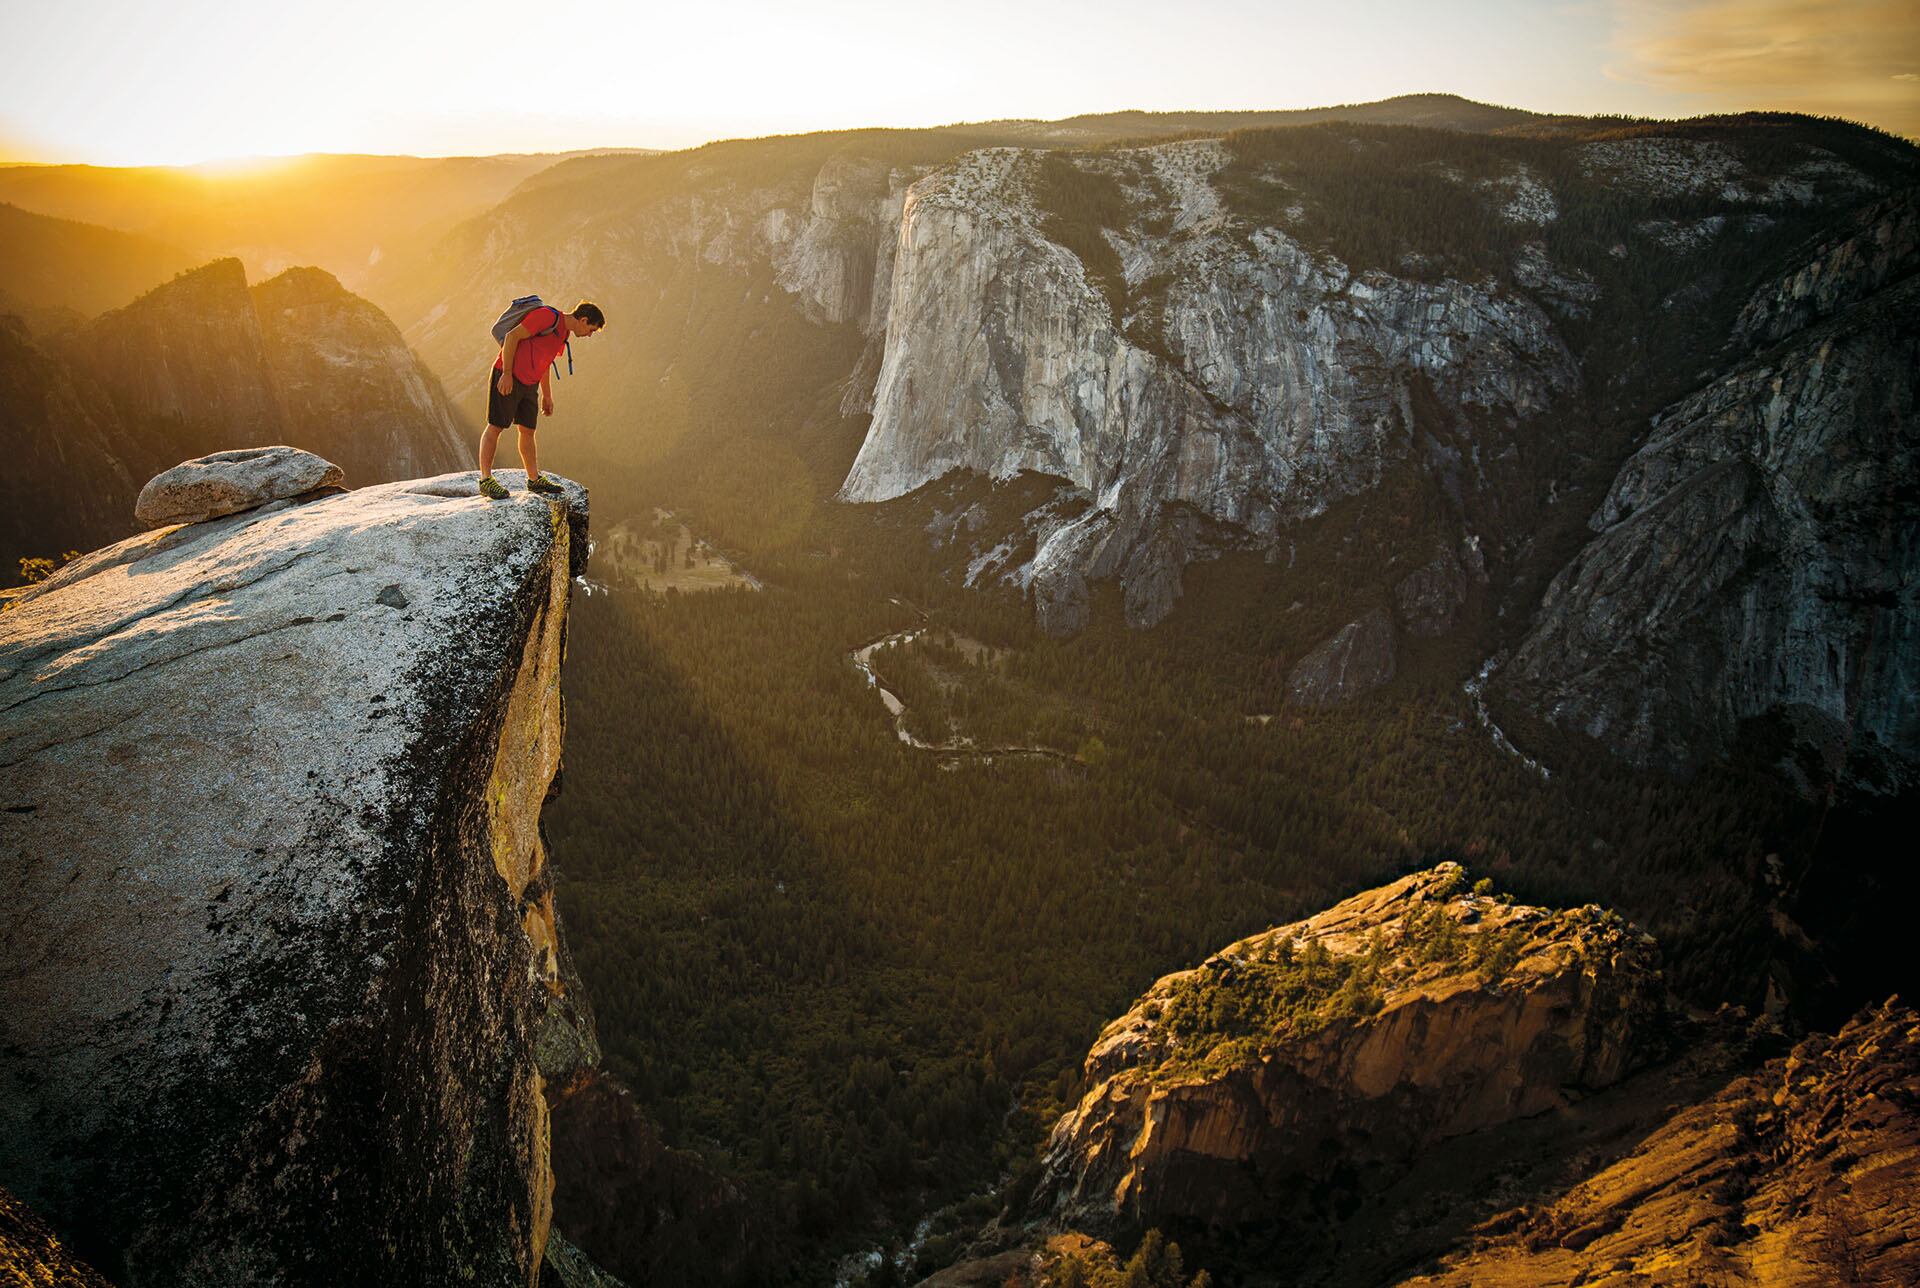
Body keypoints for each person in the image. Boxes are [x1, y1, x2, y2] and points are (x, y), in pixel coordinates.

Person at [477, 300, 605, 499]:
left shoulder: (563, 333)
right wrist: (507, 374)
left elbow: (545, 362)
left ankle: (534, 480)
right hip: (508, 374)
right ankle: (485, 480)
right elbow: (511, 337)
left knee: (527, 430)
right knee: (496, 425)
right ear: (583, 320)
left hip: (530, 383)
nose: (589, 335)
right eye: (591, 330)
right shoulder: (547, 317)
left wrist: (547, 395)